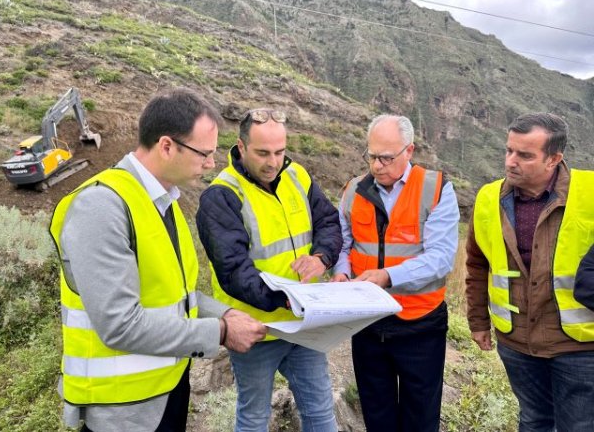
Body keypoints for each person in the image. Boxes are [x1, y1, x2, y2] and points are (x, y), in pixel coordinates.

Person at [49, 88, 267, 432]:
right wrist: (221, 331)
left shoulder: (165, 203)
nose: (212, 164)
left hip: (166, 391)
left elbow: (172, 298)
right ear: (166, 146)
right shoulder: (102, 206)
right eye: (204, 154)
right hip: (122, 411)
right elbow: (119, 325)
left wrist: (223, 312)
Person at [196, 108, 342, 432]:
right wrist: (285, 299)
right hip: (254, 330)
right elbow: (233, 270)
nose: (273, 162)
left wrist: (322, 257)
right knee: (253, 418)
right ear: (241, 146)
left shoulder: (297, 176)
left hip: (303, 326)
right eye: (262, 152)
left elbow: (329, 222)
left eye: (279, 152)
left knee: (321, 414)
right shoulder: (221, 196)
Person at [465, 112, 594, 431]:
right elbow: (477, 264)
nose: (511, 161)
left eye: (524, 155)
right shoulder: (487, 198)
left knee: (579, 426)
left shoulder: (589, 192)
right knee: (534, 420)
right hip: (517, 341)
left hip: (580, 346)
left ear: (554, 159)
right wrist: (479, 321)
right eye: (509, 150)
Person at [332, 114, 460, 432]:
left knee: (420, 416)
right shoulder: (353, 190)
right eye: (372, 156)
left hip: (420, 325)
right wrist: (341, 273)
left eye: (387, 157)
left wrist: (387, 275)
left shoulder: (436, 188)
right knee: (377, 413)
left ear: (409, 151)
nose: (378, 165)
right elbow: (343, 245)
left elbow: (441, 258)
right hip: (368, 324)